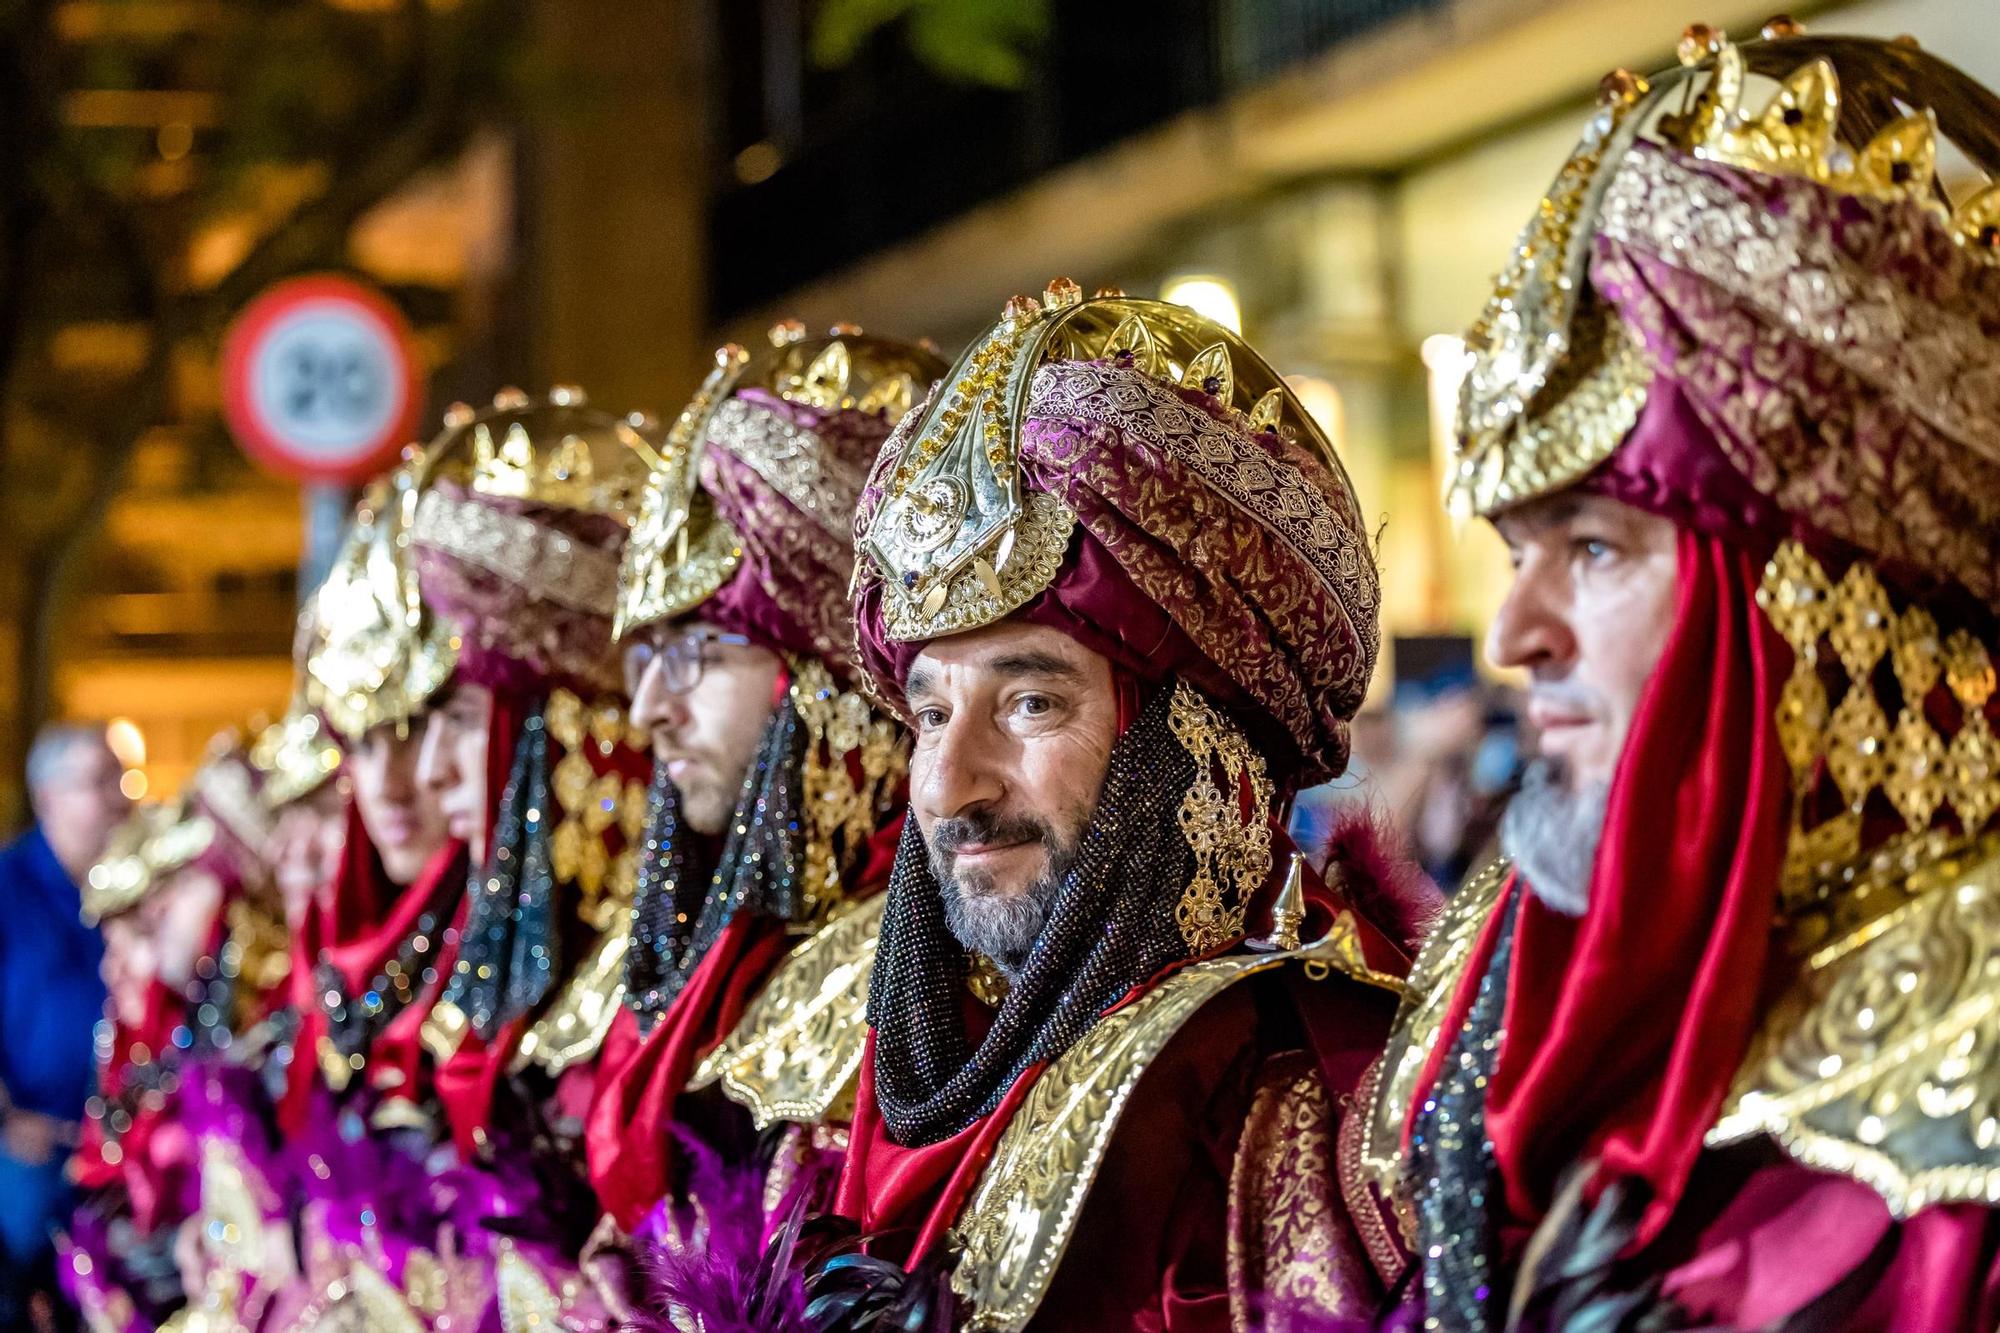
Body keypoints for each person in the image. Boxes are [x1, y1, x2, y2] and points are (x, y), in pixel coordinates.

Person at [1356, 25, 2000, 1329]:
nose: (1513, 635)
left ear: (1816, 598)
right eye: (1518, 552)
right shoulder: (1508, 974)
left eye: (1593, 548)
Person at [708, 284, 1432, 1329]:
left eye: (1031, 702)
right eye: (929, 714)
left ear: (1192, 740)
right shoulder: (860, 1084)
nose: (950, 785)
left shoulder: (1312, 1110)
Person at [584, 325, 942, 1253]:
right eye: (649, 657)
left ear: (828, 675)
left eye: (700, 653)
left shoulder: (926, 972)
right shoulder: (734, 947)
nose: (653, 707)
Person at [0, 725, 127, 1322]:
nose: (118, 797)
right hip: (34, 1145)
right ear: (49, 798)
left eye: (118, 779)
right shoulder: (9, 885)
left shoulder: (127, 885)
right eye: (98, 782)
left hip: (114, 1144)